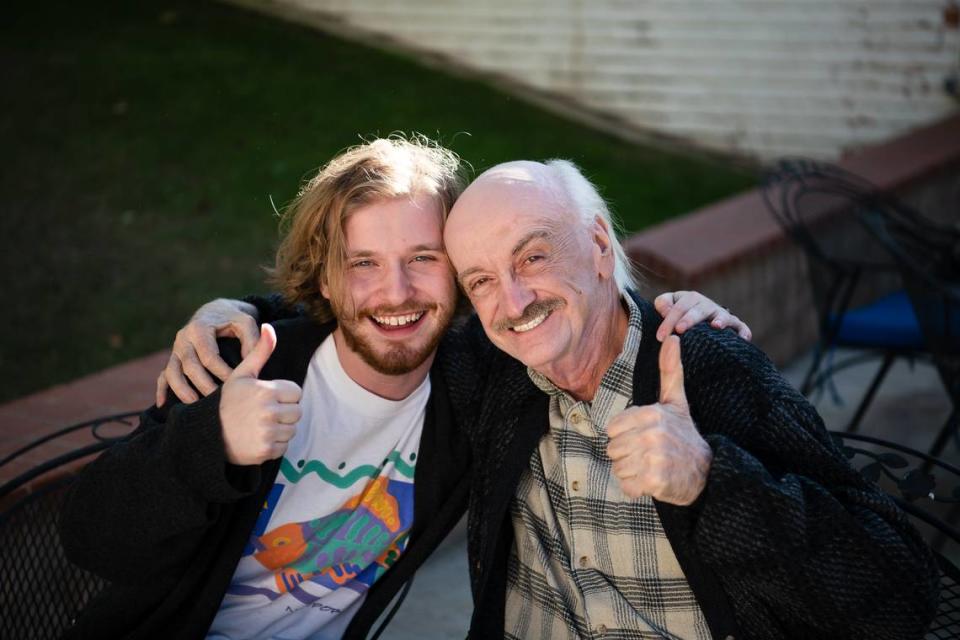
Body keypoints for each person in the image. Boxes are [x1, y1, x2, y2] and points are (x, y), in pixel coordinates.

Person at [167, 157, 939, 639]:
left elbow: (898, 593)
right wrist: (237, 316)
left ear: (600, 247)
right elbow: (384, 315)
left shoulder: (698, 367)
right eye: (480, 280)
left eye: (533, 255)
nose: (514, 300)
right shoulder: (494, 368)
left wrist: (713, 481)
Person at [59, 136, 747, 640]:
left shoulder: (472, 384)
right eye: (364, 264)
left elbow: (562, 307)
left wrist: (674, 312)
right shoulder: (245, 365)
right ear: (324, 279)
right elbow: (88, 536)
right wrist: (213, 443)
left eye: (424, 260)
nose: (396, 293)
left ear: (459, 275)